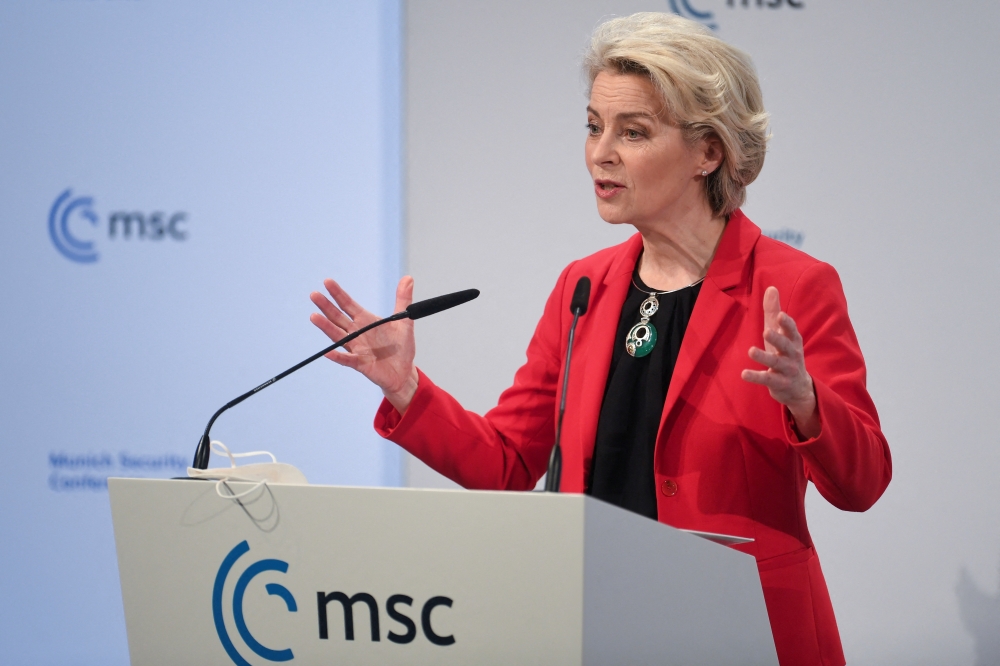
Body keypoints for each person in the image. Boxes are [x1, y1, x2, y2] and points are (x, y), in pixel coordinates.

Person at [309, 12, 891, 666]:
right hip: (597, 630)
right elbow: (506, 464)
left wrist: (807, 403)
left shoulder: (792, 286)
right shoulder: (585, 288)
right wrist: (407, 390)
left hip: (744, 632)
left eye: (633, 132)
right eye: (593, 126)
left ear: (710, 151)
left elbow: (862, 484)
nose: (599, 153)